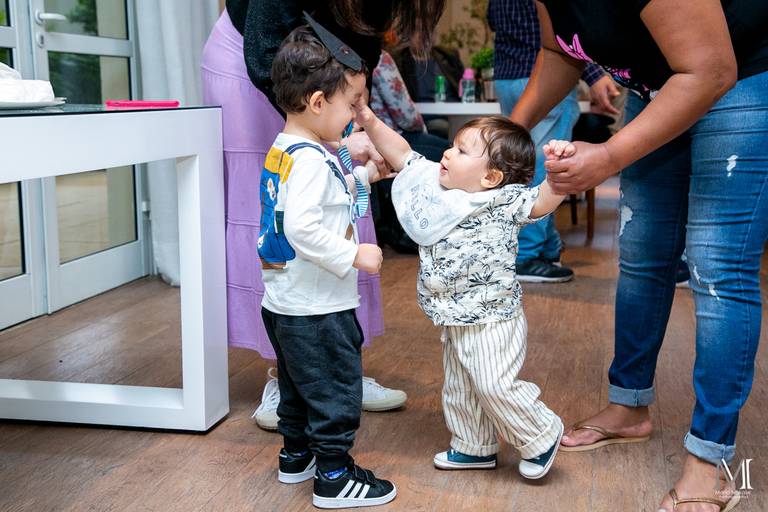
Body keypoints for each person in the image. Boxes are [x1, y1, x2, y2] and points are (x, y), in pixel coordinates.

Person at [509, 1, 768, 510]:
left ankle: (710, 460)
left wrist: (607, 157)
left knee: (717, 267)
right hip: (662, 84)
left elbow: (711, 70)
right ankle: (629, 407)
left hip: (738, 73)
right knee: (642, 254)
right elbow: (559, 50)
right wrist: (506, 130)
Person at [201, 0, 445, 429]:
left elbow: (363, 44)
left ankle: (339, 371)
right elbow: (264, 49)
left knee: (342, 195)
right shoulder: (292, 85)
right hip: (257, 61)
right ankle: (287, 379)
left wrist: (354, 115)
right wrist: (325, 140)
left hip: (324, 82)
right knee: (276, 206)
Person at [357, 99, 574, 480]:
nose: (447, 153)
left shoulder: (502, 200)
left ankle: (541, 432)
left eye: (461, 151)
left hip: (492, 317)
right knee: (461, 387)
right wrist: (369, 119)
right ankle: (474, 446)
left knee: (493, 383)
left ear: (490, 177)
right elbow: (402, 154)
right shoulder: (436, 187)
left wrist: (556, 178)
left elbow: (541, 201)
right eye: (452, 145)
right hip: (453, 315)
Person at [261, 22, 398, 508]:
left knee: (298, 387)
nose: (355, 116)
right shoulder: (312, 162)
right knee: (335, 390)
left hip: (286, 303)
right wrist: (354, 254)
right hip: (319, 307)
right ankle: (335, 477)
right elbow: (303, 228)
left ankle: (296, 456)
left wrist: (363, 176)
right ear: (318, 102)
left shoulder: (287, 150)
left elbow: (322, 203)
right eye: (350, 105)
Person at [488, 0, 620, 283]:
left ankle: (547, 248)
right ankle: (525, 255)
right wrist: (594, 76)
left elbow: (493, 21)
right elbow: (563, 35)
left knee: (524, 164)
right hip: (543, 77)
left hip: (506, 77)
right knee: (544, 167)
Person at [369, 49, 451, 253]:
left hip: (367, 137)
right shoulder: (379, 57)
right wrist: (421, 128)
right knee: (448, 153)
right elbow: (404, 113)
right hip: (394, 135)